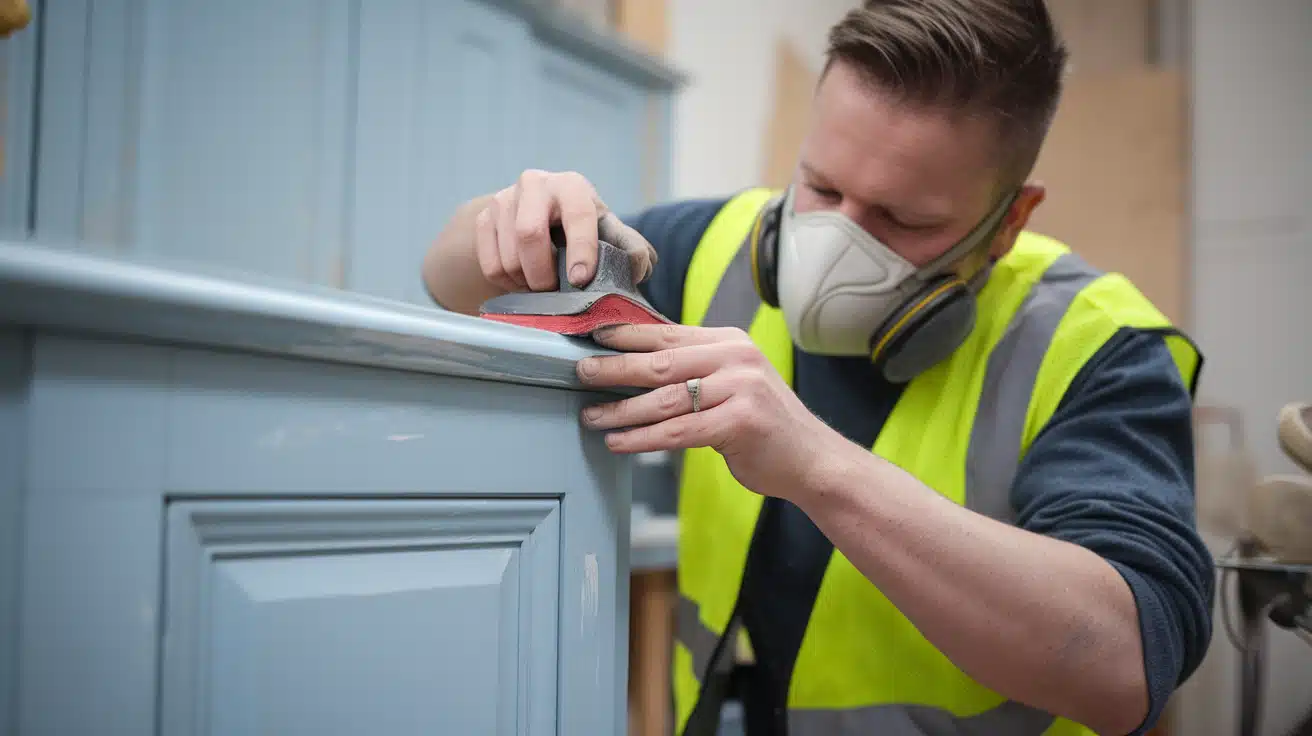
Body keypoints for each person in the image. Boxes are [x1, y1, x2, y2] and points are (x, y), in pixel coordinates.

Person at [422, 1, 1215, 734]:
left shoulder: (1096, 346)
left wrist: (817, 466)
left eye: (903, 219)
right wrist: (512, 226)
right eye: (821, 186)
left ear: (1011, 220)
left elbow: (1125, 666)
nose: (835, 243)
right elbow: (451, 286)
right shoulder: (715, 246)